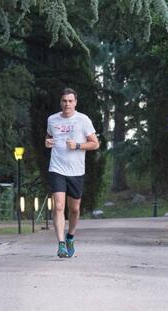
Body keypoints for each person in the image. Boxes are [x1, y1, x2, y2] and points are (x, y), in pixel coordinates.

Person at [45, 88, 100, 258]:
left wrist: (77, 145)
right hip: (57, 168)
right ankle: (61, 244)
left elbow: (95, 144)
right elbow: (48, 137)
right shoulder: (52, 119)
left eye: (70, 101)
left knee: (74, 209)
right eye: (64, 101)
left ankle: (70, 237)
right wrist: (47, 143)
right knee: (59, 206)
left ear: (75, 102)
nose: (67, 104)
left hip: (76, 171)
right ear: (60, 102)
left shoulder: (83, 120)